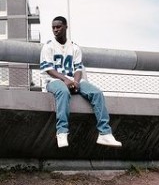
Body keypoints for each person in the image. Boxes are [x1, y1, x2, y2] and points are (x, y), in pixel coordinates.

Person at [40, 16, 122, 148]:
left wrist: (76, 82)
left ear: (66, 27)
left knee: (97, 93)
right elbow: (48, 69)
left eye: (58, 27)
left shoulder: (74, 47)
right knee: (63, 91)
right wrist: (66, 80)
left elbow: (78, 68)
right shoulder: (48, 46)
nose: (55, 30)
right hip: (54, 81)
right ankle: (62, 132)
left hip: (73, 79)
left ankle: (105, 133)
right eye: (53, 27)